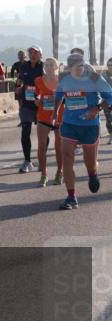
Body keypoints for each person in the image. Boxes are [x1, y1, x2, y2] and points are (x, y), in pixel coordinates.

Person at [52, 53, 111, 210]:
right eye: (77, 67)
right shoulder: (64, 79)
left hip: (89, 125)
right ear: (70, 68)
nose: (81, 69)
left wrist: (97, 108)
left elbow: (110, 96)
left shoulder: (94, 78)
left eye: (82, 65)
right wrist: (54, 114)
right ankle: (71, 197)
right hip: (69, 124)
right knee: (67, 157)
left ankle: (92, 173)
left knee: (89, 161)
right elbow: (58, 96)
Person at [34, 58, 64, 187]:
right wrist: (37, 99)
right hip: (43, 116)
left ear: (57, 67)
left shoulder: (63, 81)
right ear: (44, 67)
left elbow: (70, 96)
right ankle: (44, 174)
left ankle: (59, 172)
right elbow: (37, 94)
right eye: (47, 65)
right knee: (41, 146)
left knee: (59, 147)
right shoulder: (38, 80)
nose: (49, 67)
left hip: (59, 117)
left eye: (52, 65)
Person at [14, 46, 44, 173]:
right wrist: (18, 87)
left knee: (43, 134)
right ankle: (27, 161)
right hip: (26, 104)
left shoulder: (44, 67)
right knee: (25, 132)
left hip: (41, 104)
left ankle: (42, 159)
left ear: (40, 55)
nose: (32, 55)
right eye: (30, 52)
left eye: (35, 53)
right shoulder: (24, 66)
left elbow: (50, 83)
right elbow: (20, 80)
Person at [103, 58, 112, 143]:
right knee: (108, 119)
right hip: (106, 101)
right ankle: (111, 135)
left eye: (111, 65)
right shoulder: (103, 75)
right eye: (108, 65)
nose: (110, 67)